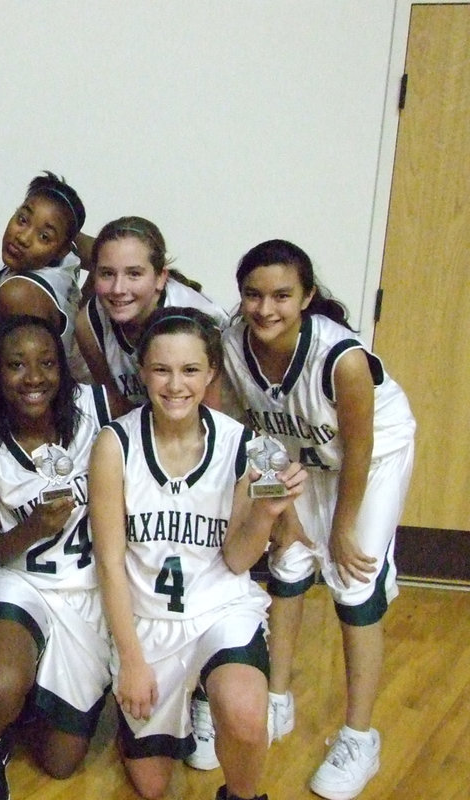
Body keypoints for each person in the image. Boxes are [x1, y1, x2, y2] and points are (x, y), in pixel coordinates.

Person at [221, 240, 415, 800]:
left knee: (354, 581)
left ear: (306, 297)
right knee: (286, 561)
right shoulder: (235, 345)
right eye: (253, 295)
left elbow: (357, 449)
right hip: (300, 454)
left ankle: (360, 735)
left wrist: (341, 527)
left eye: (282, 295)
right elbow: (248, 436)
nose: (266, 308)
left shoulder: (342, 358)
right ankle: (276, 698)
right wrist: (272, 510)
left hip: (371, 458)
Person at [89, 308, 307, 800]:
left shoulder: (241, 445)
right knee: (151, 786)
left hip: (217, 610)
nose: (175, 385)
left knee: (249, 721)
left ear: (211, 373)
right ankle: (179, 707)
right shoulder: (114, 444)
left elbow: (236, 559)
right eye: (161, 369)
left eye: (190, 370)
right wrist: (131, 660)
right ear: (143, 371)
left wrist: (267, 514)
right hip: (148, 622)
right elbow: (109, 563)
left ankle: (241, 791)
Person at [0, 315, 113, 800]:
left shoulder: (96, 410)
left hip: (87, 589)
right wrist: (30, 529)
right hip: (18, 581)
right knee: (1, 684)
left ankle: (32, 691)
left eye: (47, 363)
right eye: (16, 365)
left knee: (60, 764)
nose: (34, 378)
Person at [75, 216, 227, 414]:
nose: (118, 288)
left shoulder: (202, 323)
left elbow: (212, 421)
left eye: (134, 274)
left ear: (160, 277)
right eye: (107, 273)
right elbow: (116, 408)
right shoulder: (88, 324)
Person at [0, 172, 92, 383]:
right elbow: (101, 253)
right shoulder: (56, 257)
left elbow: (20, 383)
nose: (23, 237)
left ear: (62, 249)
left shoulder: (19, 294)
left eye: (44, 236)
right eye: (22, 219)